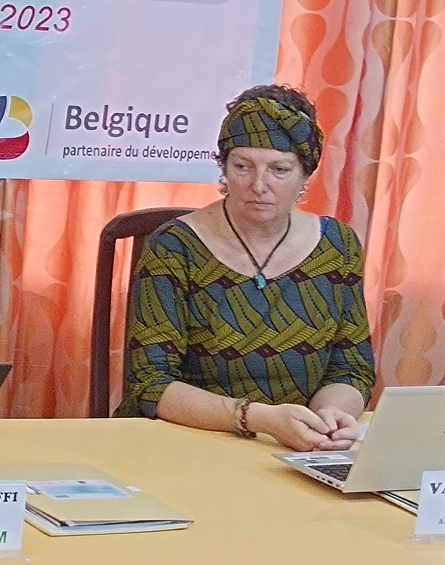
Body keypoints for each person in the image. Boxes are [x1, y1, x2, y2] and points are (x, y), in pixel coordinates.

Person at [115, 84, 374, 452]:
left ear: (305, 176)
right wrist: (259, 419)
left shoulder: (338, 245)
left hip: (293, 447)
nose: (258, 185)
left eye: (279, 169)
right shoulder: (174, 246)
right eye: (242, 166)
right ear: (223, 168)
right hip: (184, 443)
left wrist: (330, 418)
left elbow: (351, 368)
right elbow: (150, 383)